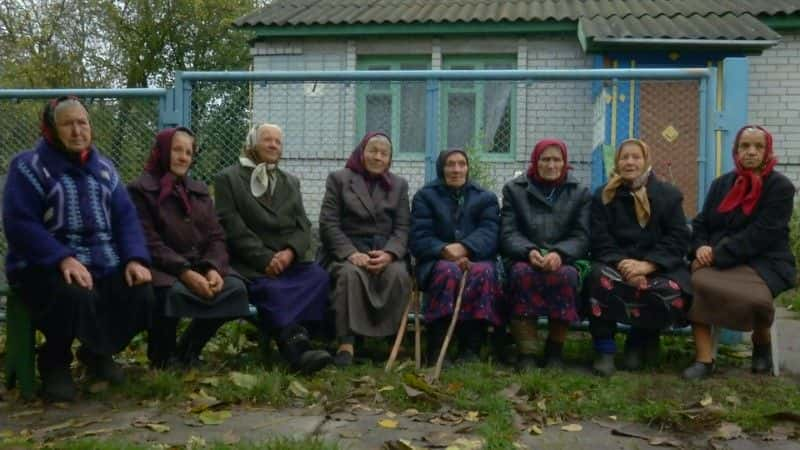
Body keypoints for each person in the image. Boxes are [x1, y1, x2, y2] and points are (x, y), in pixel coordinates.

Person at [3, 96, 153, 401]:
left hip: (102, 261)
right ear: (50, 131)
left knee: (143, 292)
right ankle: (54, 361)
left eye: (82, 122)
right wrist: (62, 258)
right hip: (42, 265)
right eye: (67, 124)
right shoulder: (29, 167)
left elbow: (125, 219)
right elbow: (20, 225)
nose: (77, 131)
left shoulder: (105, 169)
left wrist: (135, 259)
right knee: (74, 293)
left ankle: (98, 352)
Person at [128, 127, 251, 369]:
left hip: (201, 266)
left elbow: (216, 236)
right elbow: (149, 241)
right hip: (163, 268)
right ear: (162, 151)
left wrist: (213, 268)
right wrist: (185, 273)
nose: (183, 157)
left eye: (188, 152)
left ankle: (189, 348)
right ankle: (163, 356)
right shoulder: (140, 190)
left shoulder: (199, 191)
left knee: (235, 289)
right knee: (169, 293)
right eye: (177, 150)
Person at [214, 123, 332, 373]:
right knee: (272, 290)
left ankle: (298, 336)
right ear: (252, 144)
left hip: (288, 261)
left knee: (320, 277)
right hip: (252, 265)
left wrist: (289, 253)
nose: (273, 145)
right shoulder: (229, 179)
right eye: (267, 139)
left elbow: (304, 225)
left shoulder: (291, 182)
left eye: (278, 141)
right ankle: (297, 351)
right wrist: (266, 259)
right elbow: (232, 227)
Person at [683, 125, 796, 379]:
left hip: (764, 261)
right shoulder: (721, 184)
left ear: (767, 152)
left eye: (758, 147)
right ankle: (704, 359)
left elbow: (762, 234)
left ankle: (761, 340)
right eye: (745, 146)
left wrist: (716, 254)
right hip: (718, 259)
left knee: (757, 300)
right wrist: (700, 246)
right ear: (736, 151)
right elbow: (702, 223)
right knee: (697, 283)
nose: (751, 152)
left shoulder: (781, 187)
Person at [588, 138, 691, 376]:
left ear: (646, 161)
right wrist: (624, 265)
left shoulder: (668, 195)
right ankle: (605, 349)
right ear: (616, 161)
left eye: (636, 157)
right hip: (617, 264)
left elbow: (678, 237)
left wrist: (647, 265)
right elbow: (600, 238)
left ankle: (641, 339)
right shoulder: (604, 195)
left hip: (656, 266)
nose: (630, 162)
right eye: (624, 157)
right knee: (597, 279)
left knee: (670, 288)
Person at [319, 132, 411, 367]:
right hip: (349, 251)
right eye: (373, 151)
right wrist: (351, 253)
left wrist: (389, 254)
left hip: (384, 252)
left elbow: (402, 227)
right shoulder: (339, 179)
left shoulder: (399, 185)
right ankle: (346, 343)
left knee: (398, 275)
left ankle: (393, 341)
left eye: (384, 153)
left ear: (390, 159)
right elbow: (329, 223)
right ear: (362, 152)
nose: (377, 157)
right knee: (350, 275)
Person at [500, 139, 591, 370]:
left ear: (565, 163)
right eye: (545, 159)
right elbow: (508, 232)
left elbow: (582, 235)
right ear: (535, 161)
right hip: (524, 256)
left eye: (556, 160)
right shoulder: (514, 189)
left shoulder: (579, 192)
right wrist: (528, 250)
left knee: (567, 277)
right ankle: (527, 351)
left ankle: (554, 351)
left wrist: (560, 253)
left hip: (564, 259)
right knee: (521, 275)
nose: (551, 165)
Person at [409, 149, 501, 365]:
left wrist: (465, 248)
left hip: (475, 258)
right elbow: (419, 236)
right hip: (435, 261)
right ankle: (438, 347)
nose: (456, 169)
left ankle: (471, 347)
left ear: (468, 168)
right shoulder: (425, 197)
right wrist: (444, 250)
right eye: (450, 164)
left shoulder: (485, 197)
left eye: (461, 164)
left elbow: (490, 232)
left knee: (482, 273)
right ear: (441, 167)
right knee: (447, 271)